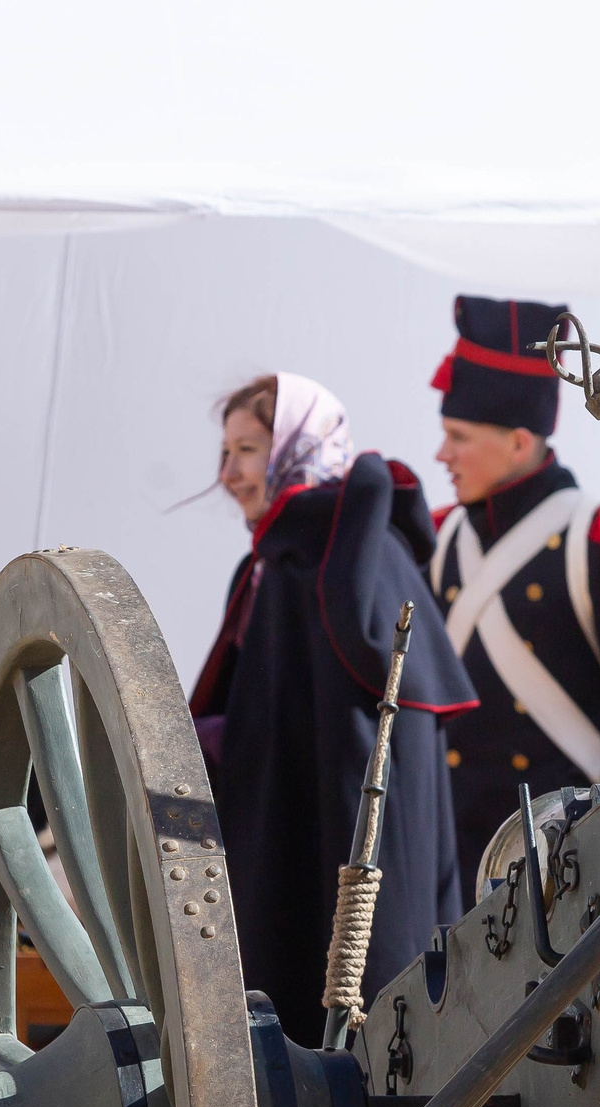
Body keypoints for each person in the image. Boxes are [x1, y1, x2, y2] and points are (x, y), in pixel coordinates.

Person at [190, 374, 476, 1043]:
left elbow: (353, 762)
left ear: (295, 447)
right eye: (226, 452)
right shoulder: (279, 563)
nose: (228, 473)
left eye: (248, 450)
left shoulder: (343, 561)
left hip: (344, 905)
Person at [427, 295, 600, 865]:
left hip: (569, 858)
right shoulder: (441, 539)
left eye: (459, 437)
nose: (441, 455)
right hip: (457, 853)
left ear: (518, 441)